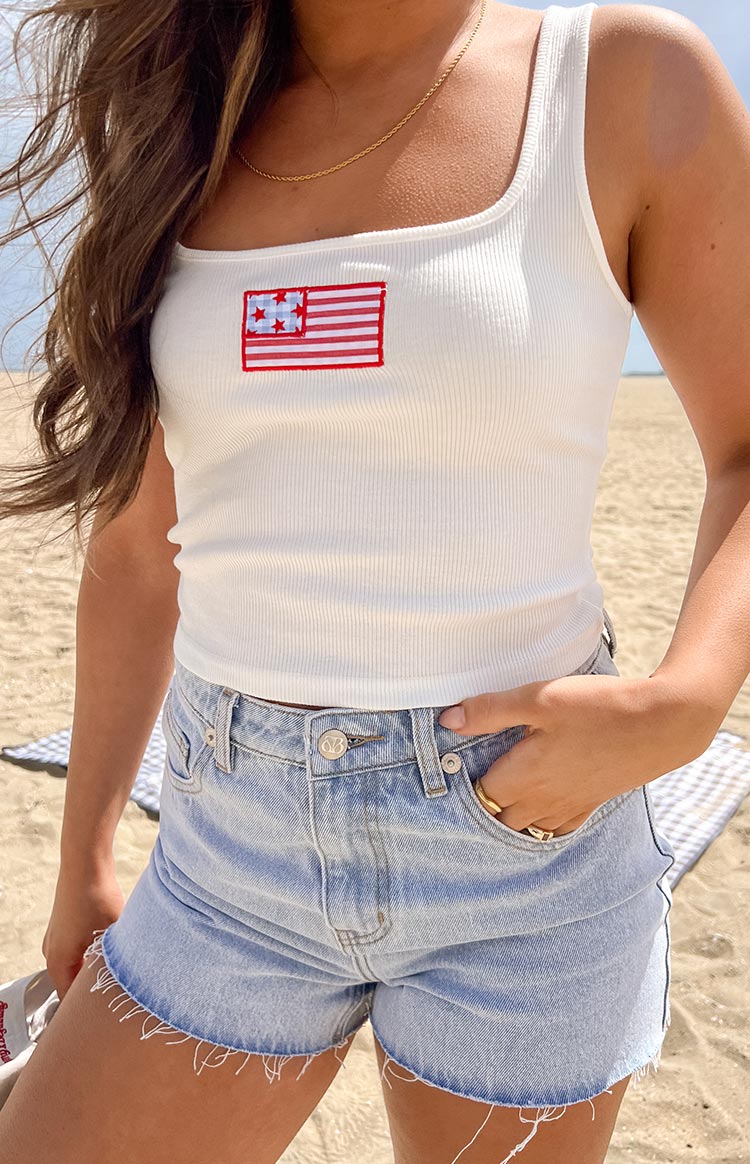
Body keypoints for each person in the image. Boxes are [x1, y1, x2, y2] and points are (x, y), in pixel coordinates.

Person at [0, 1, 748, 1161]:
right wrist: (84, 852)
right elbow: (141, 547)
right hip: (224, 846)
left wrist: (685, 705)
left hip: (525, 839)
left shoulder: (621, 82)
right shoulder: (183, 124)